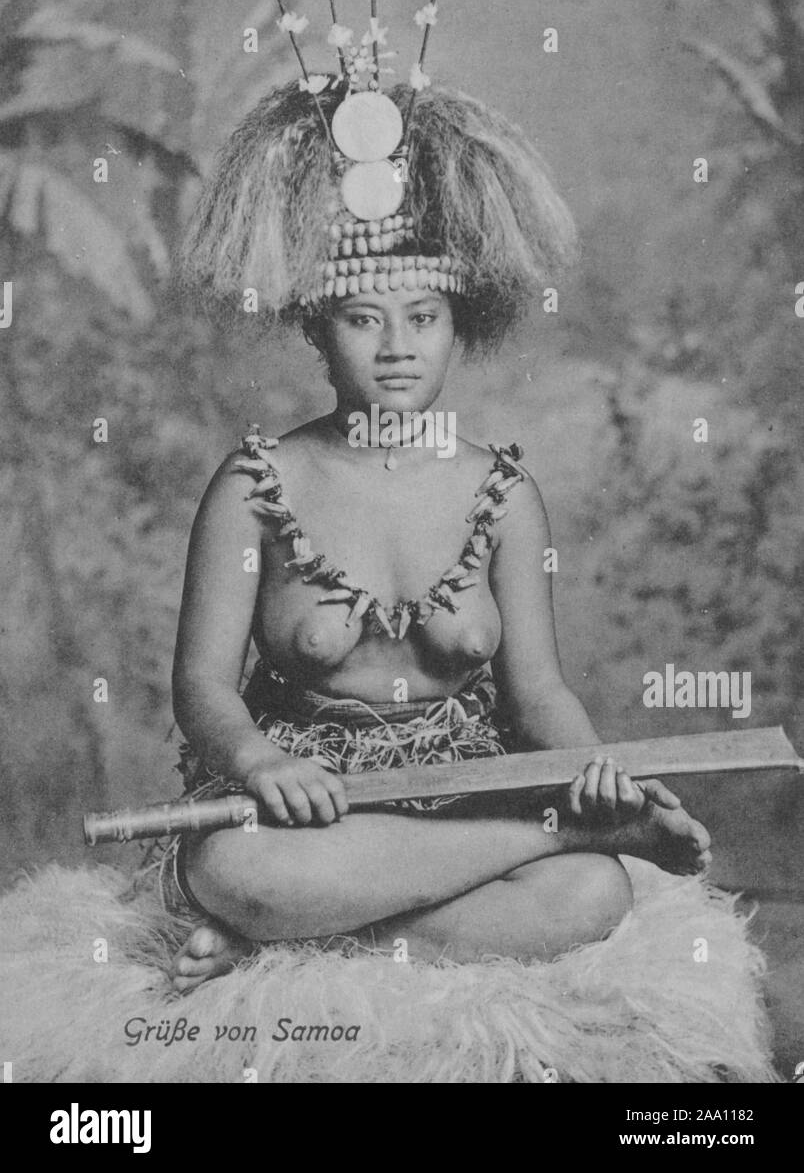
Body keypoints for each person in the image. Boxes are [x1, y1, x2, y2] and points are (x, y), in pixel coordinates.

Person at [164, 78, 711, 992]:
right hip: (312, 820)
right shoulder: (255, 484)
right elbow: (199, 686)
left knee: (590, 896)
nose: (397, 348)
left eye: (423, 318)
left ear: (461, 325)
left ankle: (295, 946)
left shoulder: (503, 491)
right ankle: (423, 884)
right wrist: (262, 761)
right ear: (314, 326)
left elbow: (538, 691)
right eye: (362, 319)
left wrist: (589, 774)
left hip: (471, 798)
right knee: (234, 870)